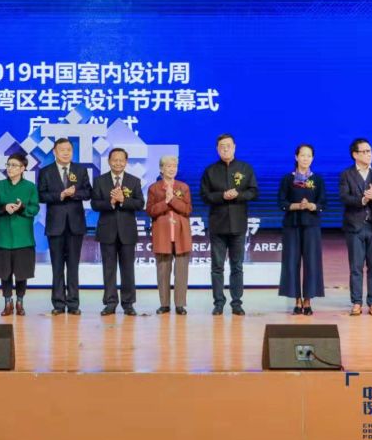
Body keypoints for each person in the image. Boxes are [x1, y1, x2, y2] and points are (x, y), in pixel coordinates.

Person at [199, 134, 258, 316]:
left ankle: (236, 303)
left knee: (237, 266)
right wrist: (222, 196)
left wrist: (238, 195)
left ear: (234, 147)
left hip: (238, 225)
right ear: (217, 149)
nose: (225, 148)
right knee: (217, 267)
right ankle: (218, 303)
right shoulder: (210, 171)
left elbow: (253, 192)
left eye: (228, 145)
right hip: (218, 225)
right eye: (222, 146)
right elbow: (204, 196)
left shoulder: (245, 168)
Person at [36, 137, 91, 315]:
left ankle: (73, 304)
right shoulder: (46, 171)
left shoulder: (80, 170)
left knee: (73, 266)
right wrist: (59, 195)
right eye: (62, 150)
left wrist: (74, 194)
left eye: (69, 150)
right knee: (57, 265)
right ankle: (58, 304)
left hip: (75, 224)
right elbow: (41, 195)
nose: (66, 153)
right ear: (54, 152)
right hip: (55, 225)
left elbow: (88, 192)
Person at [338, 138, 372, 316]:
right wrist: (362, 200)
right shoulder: (346, 174)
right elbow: (344, 197)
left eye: (370, 151)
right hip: (355, 227)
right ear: (355, 154)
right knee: (356, 267)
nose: (369, 154)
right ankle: (356, 302)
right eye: (365, 151)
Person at [91, 147, 144, 316]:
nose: (118, 163)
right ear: (109, 161)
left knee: (128, 269)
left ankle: (128, 303)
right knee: (109, 269)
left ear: (126, 162)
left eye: (121, 160)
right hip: (107, 231)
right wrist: (111, 202)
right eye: (115, 160)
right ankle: (110, 302)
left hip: (127, 232)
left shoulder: (134, 181)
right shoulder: (100, 181)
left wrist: (123, 200)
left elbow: (140, 204)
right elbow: (94, 204)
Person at [0, 153, 40, 316]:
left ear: (23, 168)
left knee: (22, 273)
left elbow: (35, 208)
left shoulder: (30, 187)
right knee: (5, 273)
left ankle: (20, 302)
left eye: (14, 165)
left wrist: (21, 208)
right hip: (3, 237)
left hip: (24, 238)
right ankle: (7, 302)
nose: (10, 168)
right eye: (8, 165)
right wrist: (4, 208)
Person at [277, 144, 326, 315]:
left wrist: (312, 206)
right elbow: (281, 202)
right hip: (292, 225)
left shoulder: (317, 180)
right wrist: (297, 205)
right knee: (292, 263)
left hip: (312, 226)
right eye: (302, 155)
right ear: (296, 157)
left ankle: (308, 301)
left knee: (312, 263)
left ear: (313, 158)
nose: (305, 158)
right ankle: (297, 300)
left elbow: (323, 203)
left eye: (309, 156)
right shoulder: (287, 179)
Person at [146, 155, 193, 315]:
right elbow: (150, 210)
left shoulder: (183, 187)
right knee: (163, 271)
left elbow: (187, 209)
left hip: (181, 234)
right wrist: (165, 202)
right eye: (168, 166)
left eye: (174, 166)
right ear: (161, 169)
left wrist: (172, 200)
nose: (172, 169)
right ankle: (164, 304)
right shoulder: (154, 188)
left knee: (181, 272)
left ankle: (180, 304)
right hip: (162, 234)